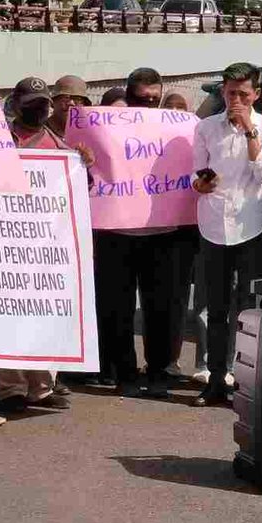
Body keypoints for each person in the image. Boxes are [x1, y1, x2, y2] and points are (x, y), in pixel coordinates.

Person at [190, 61, 262, 406]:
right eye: (231, 93)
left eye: (244, 94)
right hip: (214, 223)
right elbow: (195, 172)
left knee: (246, 309)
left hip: (251, 225)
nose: (237, 100)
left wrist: (249, 132)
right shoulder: (206, 128)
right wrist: (199, 183)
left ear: (256, 94)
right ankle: (215, 377)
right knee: (215, 307)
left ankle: (244, 381)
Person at [94, 68, 188, 398]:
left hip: (164, 231)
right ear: (128, 97)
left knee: (163, 307)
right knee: (115, 307)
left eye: (154, 98)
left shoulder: (177, 128)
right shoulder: (105, 128)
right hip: (116, 231)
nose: (148, 105)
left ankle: (160, 370)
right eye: (141, 99)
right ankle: (125, 373)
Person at [0, 76, 76, 412]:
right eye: (31, 103)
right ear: (16, 105)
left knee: (43, 314)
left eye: (43, 103)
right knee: (8, 315)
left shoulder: (58, 146)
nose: (38, 109)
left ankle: (41, 387)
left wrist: (82, 164)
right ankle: (10, 388)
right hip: (3, 243)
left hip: (44, 246)